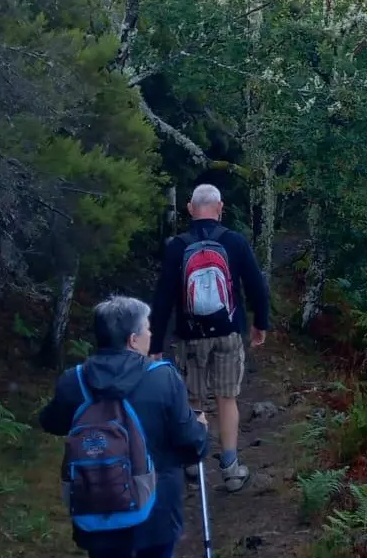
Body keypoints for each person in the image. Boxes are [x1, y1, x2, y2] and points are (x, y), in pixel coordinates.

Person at [39, 296, 209, 558]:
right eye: (147, 329)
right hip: (156, 514)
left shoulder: (74, 381)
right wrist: (200, 429)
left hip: (97, 507)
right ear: (132, 340)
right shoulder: (163, 378)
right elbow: (191, 444)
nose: (151, 334)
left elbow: (51, 422)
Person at [149, 183, 271, 493]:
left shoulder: (178, 246)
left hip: (191, 335)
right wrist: (260, 323)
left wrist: (155, 343)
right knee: (226, 398)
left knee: (194, 400)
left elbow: (163, 298)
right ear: (220, 208)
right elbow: (256, 286)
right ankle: (231, 469)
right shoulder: (234, 241)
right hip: (228, 332)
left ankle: (194, 465)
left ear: (190, 208)